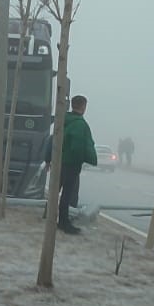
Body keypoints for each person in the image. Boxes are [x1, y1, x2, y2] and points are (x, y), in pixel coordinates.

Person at [58, 94, 97, 234]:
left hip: (60, 160)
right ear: (83, 106)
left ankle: (52, 216)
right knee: (67, 194)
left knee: (57, 190)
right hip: (71, 164)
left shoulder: (65, 120)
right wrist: (81, 159)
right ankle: (63, 222)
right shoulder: (79, 124)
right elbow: (78, 146)